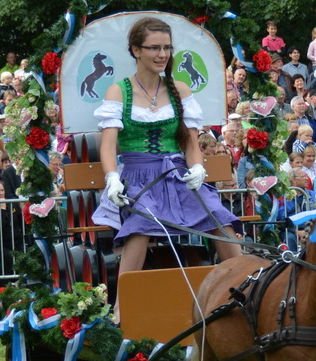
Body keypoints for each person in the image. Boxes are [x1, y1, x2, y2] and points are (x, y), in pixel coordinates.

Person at [93, 17, 241, 301]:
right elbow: (109, 146)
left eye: (167, 48)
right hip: (137, 177)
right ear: (136, 50)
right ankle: (124, 307)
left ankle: (247, 288)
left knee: (218, 216)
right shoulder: (119, 91)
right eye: (154, 48)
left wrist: (197, 166)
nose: (162, 55)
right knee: (141, 223)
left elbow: (191, 143)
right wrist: (112, 178)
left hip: (176, 174)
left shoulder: (179, 89)